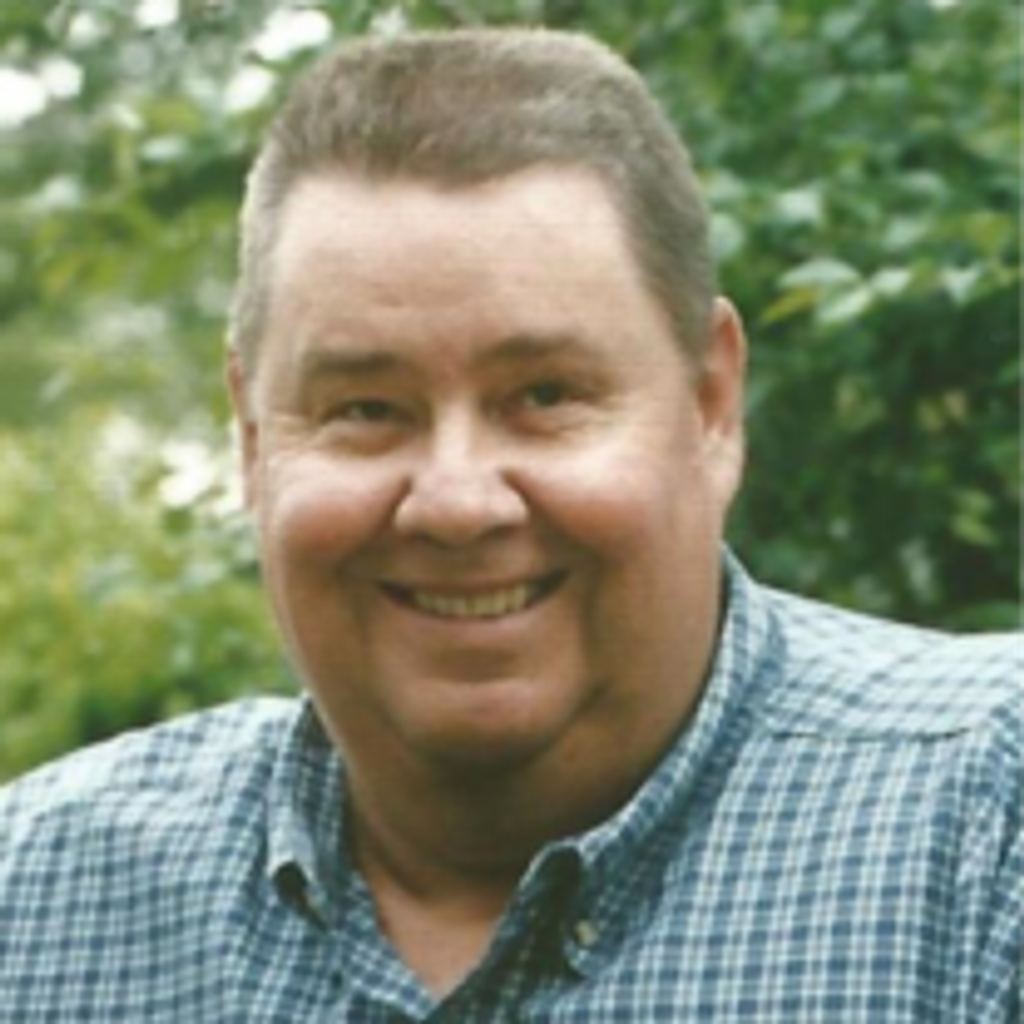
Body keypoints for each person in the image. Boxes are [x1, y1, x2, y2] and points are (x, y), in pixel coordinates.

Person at [0, 26, 1021, 1023]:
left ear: (711, 405)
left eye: (545, 394)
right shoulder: (36, 899)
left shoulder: (987, 834)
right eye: (366, 408)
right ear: (254, 440)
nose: (456, 502)